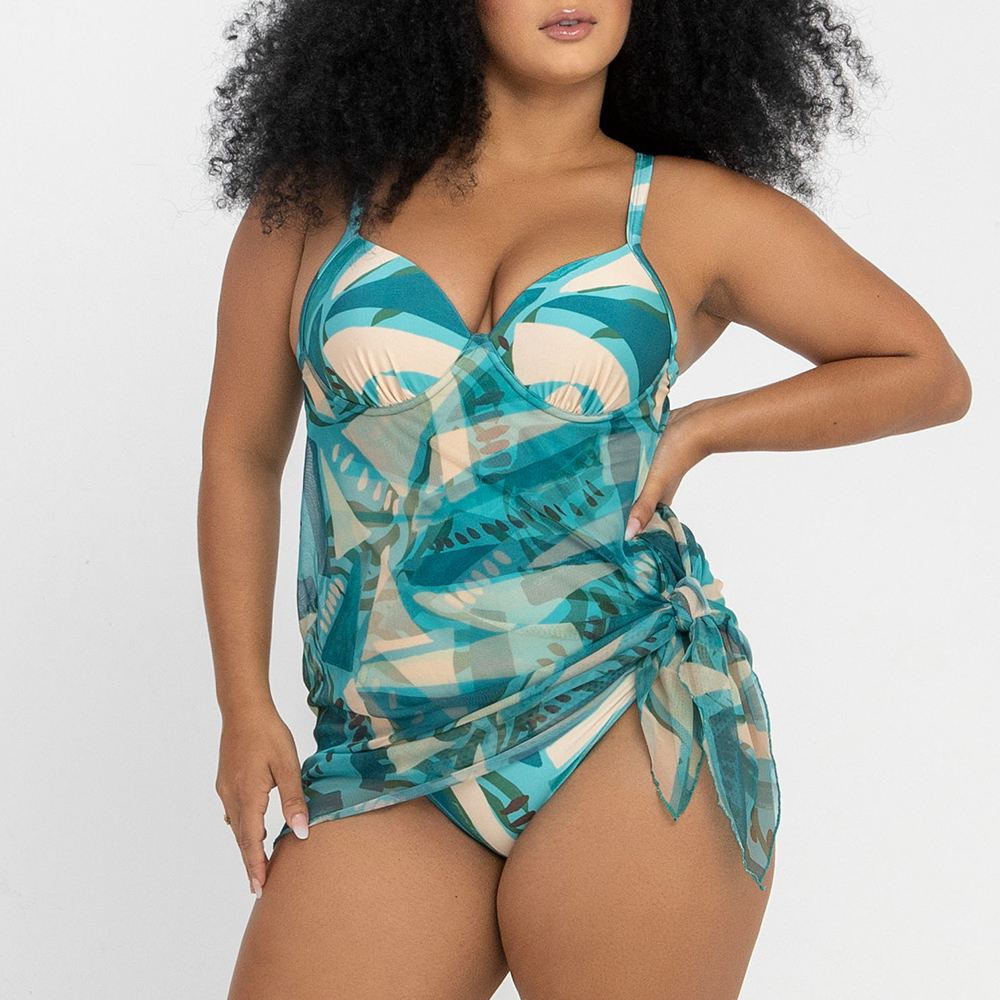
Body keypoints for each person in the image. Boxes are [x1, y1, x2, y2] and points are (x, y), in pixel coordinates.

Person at [199, 2, 972, 997]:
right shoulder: (314, 202)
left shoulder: (687, 210)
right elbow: (241, 452)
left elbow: (926, 370)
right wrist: (242, 702)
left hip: (627, 705)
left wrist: (703, 426)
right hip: (386, 744)